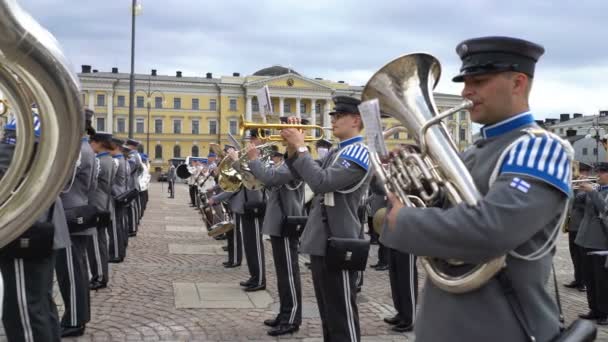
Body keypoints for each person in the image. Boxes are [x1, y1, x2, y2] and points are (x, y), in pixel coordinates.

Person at [383, 36, 571, 342]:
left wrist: (403, 220)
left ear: (518, 83)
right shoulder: (471, 153)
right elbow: (450, 213)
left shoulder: (539, 148)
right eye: (466, 82)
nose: (466, 92)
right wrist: (410, 181)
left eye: (479, 81)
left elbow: (490, 229)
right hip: (443, 322)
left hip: (500, 326)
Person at [281, 95, 370, 341]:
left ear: (356, 120)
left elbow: (322, 182)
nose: (333, 120)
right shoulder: (337, 151)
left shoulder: (358, 153)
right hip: (324, 239)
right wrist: (292, 147)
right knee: (329, 315)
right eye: (333, 115)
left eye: (338, 116)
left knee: (342, 317)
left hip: (341, 240)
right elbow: (301, 173)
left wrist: (301, 147)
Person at [0, 109, 71, 341]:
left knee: (22, 312)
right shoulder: (54, 143)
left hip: (24, 231)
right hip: (44, 229)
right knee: (40, 303)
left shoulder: (18, 140)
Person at [247, 147, 304, 336]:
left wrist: (254, 159)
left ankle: (291, 318)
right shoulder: (287, 163)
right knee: (282, 274)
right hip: (279, 223)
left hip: (287, 224)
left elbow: (271, 177)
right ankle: (284, 313)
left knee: (289, 274)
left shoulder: (296, 162)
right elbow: (267, 180)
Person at [574, 162, 608, 325]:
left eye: (602, 172)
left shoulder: (600, 191)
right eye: (598, 172)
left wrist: (593, 191)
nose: (599, 175)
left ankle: (604, 312)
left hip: (601, 242)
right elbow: (577, 201)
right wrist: (580, 185)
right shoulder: (597, 189)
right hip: (585, 240)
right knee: (590, 279)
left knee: (602, 281)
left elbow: (604, 209)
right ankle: (594, 309)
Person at [88, 132, 115, 290]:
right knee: (101, 243)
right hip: (104, 203)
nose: (90, 145)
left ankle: (99, 276)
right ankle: (102, 274)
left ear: (99, 143)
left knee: (96, 244)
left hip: (97, 205)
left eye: (92, 142)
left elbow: (90, 183)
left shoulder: (99, 161)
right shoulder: (109, 159)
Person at [564, 161, 592, 292]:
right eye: (576, 171)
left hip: (583, 227)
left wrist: (580, 188)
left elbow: (581, 203)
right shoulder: (574, 185)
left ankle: (585, 282)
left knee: (583, 257)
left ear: (586, 173)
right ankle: (578, 279)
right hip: (573, 226)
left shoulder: (590, 187)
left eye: (580, 171)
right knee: (574, 255)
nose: (577, 174)